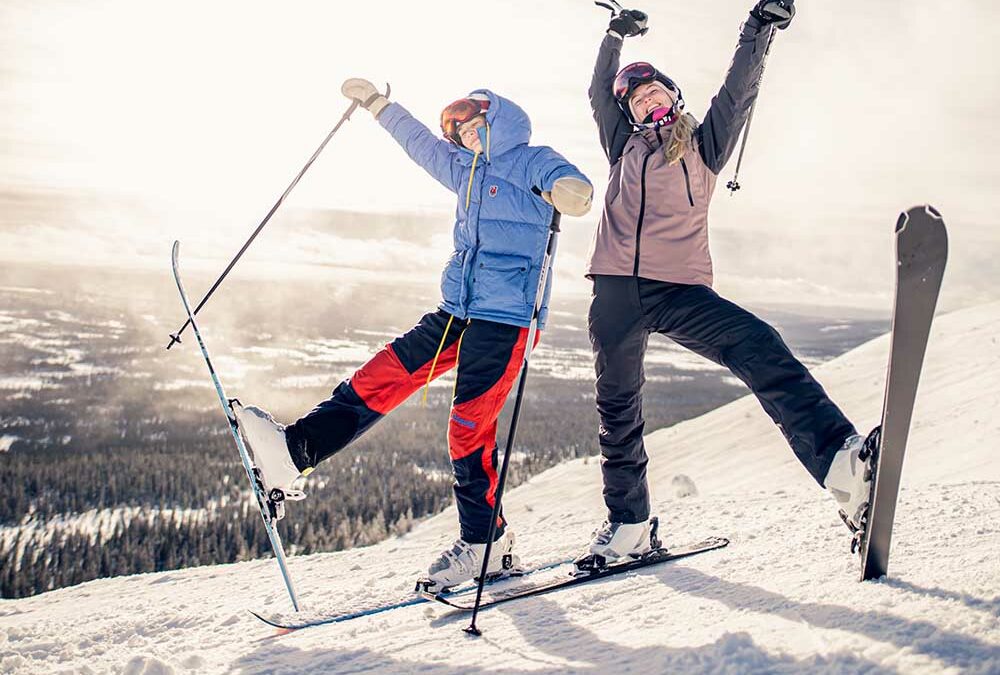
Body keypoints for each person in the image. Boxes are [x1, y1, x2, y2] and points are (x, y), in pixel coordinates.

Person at [235, 79, 593, 591]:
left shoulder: (532, 158)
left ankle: (484, 544)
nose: (469, 137)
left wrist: (567, 192)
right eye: (462, 133)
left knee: (468, 427)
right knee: (384, 374)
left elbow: (570, 184)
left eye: (476, 126)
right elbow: (419, 143)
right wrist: (379, 105)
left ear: (499, 120)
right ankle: (295, 452)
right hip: (457, 309)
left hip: (507, 319)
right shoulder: (463, 172)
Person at [579, 0, 874, 565]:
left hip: (680, 290)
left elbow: (738, 89)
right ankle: (629, 525)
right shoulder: (622, 146)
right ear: (631, 114)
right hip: (615, 291)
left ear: (674, 97)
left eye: (656, 91)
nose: (648, 99)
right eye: (637, 98)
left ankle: (842, 463)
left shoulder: (705, 145)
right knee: (618, 411)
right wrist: (614, 36)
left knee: (757, 342)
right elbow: (599, 93)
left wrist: (759, 27)